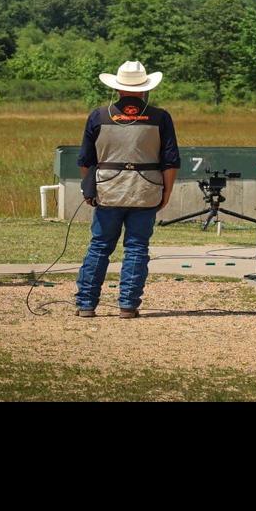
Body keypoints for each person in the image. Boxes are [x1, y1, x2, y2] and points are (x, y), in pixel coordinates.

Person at [74, 61, 179, 318]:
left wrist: (89, 189)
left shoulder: (98, 116)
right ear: (144, 88)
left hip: (108, 189)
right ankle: (128, 305)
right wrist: (166, 192)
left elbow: (85, 161)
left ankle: (86, 304)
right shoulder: (160, 117)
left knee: (100, 246)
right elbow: (170, 161)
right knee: (136, 247)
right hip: (146, 190)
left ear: (117, 87)